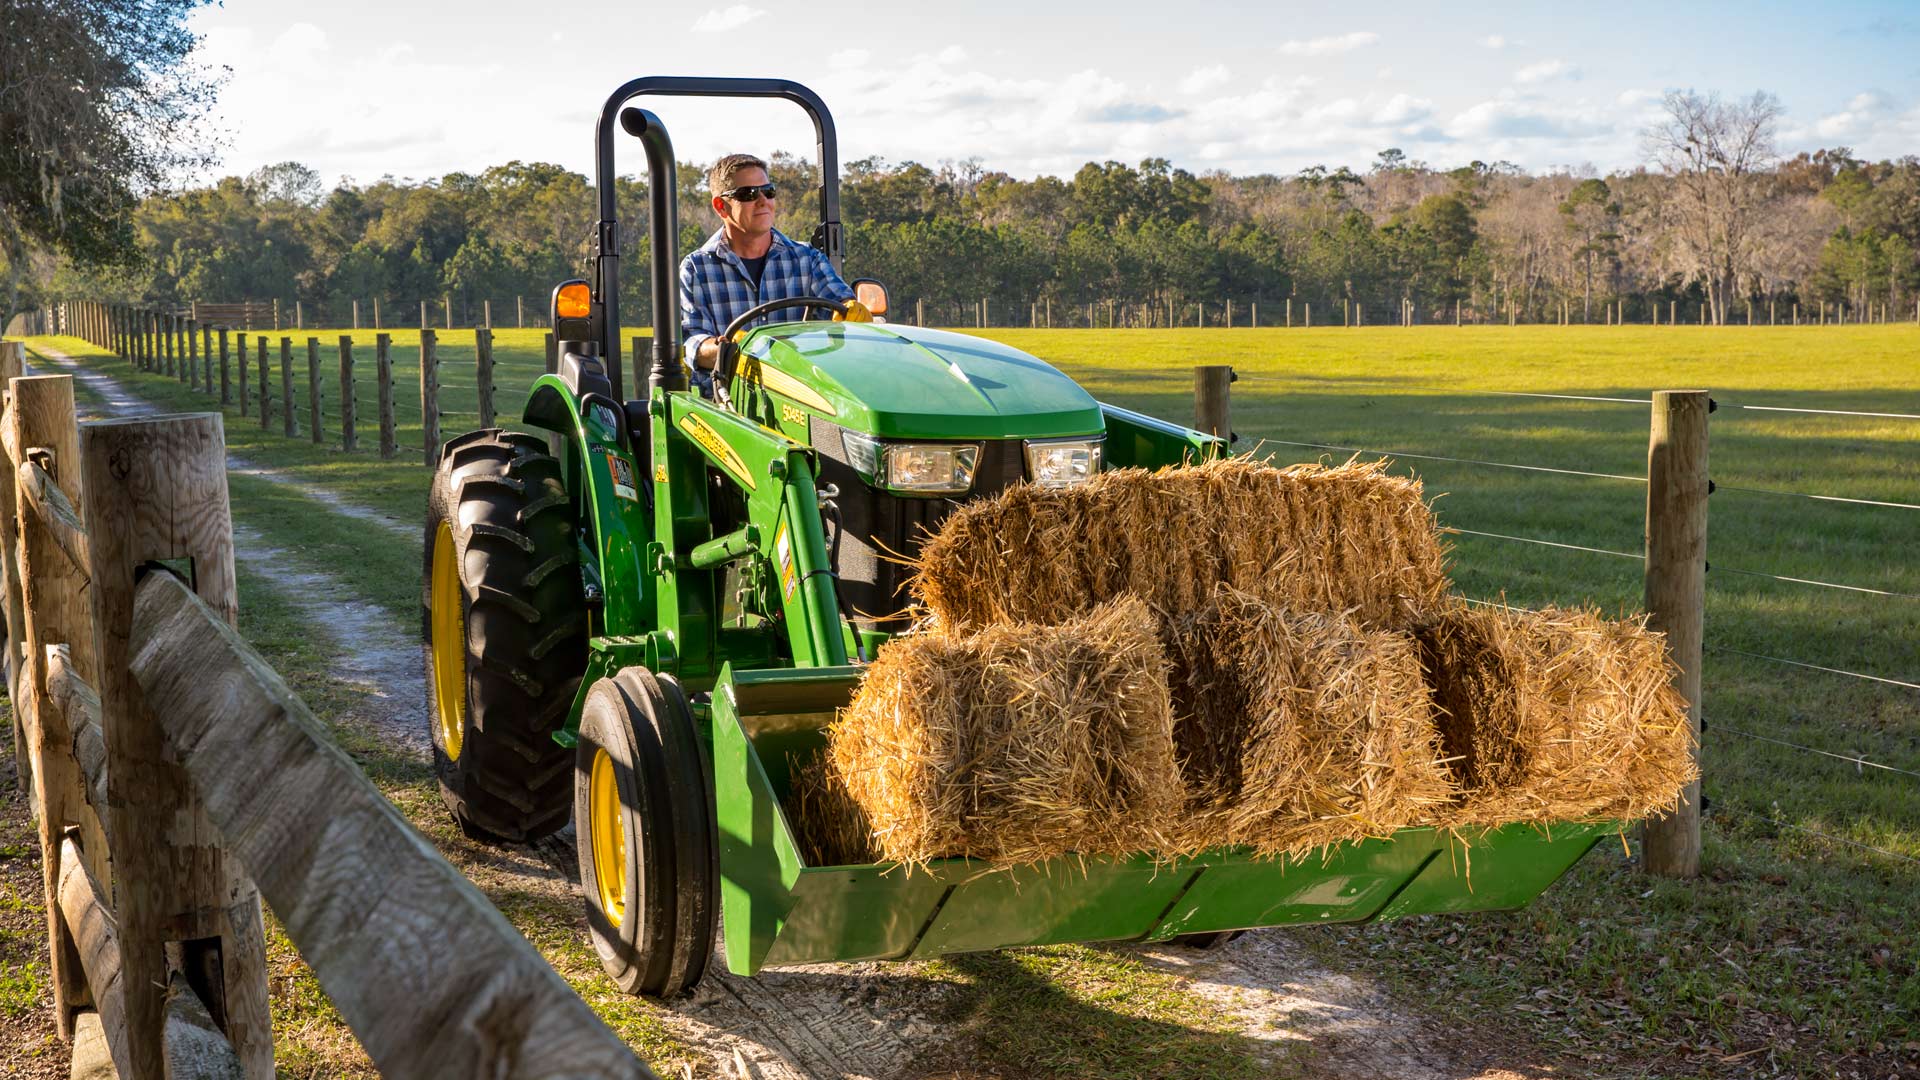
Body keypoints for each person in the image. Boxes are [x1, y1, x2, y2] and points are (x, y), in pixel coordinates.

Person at [679, 153, 869, 396]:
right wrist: (731, 351)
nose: (762, 201)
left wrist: (851, 309)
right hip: (729, 404)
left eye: (768, 191)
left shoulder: (807, 260)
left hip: (802, 400)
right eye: (748, 194)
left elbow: (842, 305)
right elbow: (692, 343)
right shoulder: (697, 269)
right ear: (720, 206)